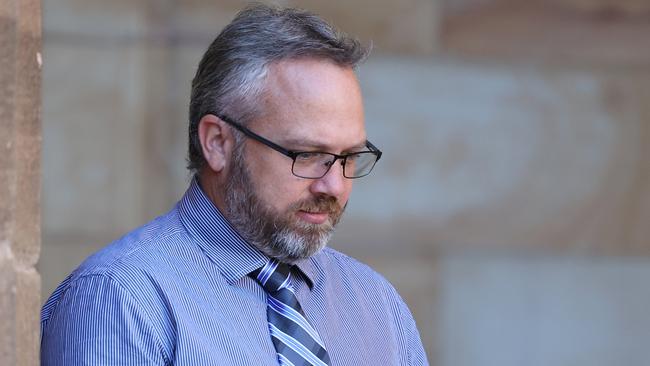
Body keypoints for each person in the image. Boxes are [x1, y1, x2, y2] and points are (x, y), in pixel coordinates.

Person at [41, 4, 429, 365]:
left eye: (349, 157)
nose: (334, 185)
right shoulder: (119, 299)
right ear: (217, 143)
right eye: (306, 154)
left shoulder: (379, 308)